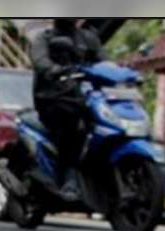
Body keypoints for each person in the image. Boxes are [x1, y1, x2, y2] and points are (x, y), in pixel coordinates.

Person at [30, 18, 106, 201]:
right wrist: (53, 69)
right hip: (52, 98)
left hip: (82, 98)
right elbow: (40, 61)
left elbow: (105, 62)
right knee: (72, 126)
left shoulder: (89, 38)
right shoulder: (44, 38)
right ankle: (69, 178)